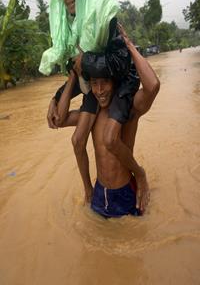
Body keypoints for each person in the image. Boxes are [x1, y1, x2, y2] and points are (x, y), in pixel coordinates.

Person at [44, 0, 148, 197]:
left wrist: (86, 61)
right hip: (95, 82)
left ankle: (138, 174)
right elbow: (80, 73)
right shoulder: (70, 27)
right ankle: (89, 191)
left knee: (111, 138)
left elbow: (120, 63)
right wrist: (55, 97)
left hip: (120, 82)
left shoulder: (103, 15)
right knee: (77, 141)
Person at [56, 26, 160, 216]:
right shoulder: (91, 115)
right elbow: (59, 120)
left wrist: (128, 46)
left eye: (105, 82)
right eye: (94, 84)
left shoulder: (128, 110)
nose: (100, 90)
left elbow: (152, 86)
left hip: (126, 192)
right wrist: (72, 75)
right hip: (99, 192)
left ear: (115, 81)